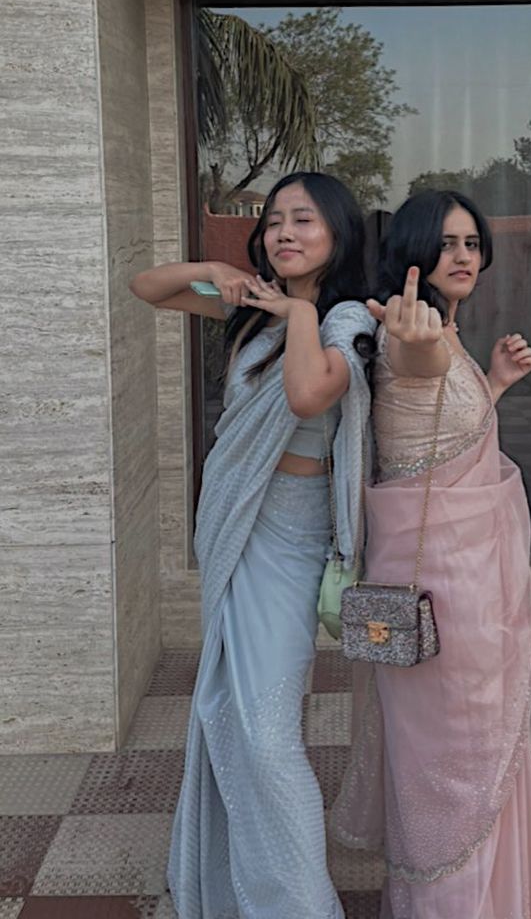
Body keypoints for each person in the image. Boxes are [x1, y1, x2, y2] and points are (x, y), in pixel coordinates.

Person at [130, 172, 375, 919]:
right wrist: (215, 272)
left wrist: (297, 312)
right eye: (271, 222)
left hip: (293, 538)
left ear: (337, 233)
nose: (283, 233)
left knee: (266, 734)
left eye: (303, 220)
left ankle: (301, 906)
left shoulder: (348, 323)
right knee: (230, 717)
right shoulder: (248, 311)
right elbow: (148, 288)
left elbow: (308, 396)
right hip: (236, 527)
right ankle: (239, 888)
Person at [331, 189, 531, 919]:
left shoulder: (450, 331)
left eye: (472, 243)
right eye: (447, 242)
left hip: (473, 588)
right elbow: (414, 365)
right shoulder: (416, 330)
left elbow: (437, 433)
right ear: (413, 252)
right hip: (438, 597)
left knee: (477, 742)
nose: (463, 256)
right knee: (452, 753)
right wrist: (420, 342)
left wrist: (492, 382)